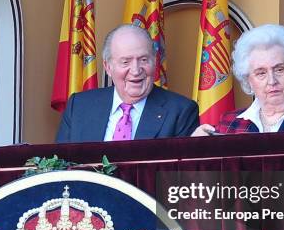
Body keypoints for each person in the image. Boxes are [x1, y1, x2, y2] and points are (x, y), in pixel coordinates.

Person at [56, 24, 199, 143]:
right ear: (108, 67)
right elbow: (60, 167)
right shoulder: (80, 106)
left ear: (154, 61)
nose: (136, 71)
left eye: (143, 60)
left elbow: (176, 174)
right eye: (125, 62)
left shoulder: (181, 112)